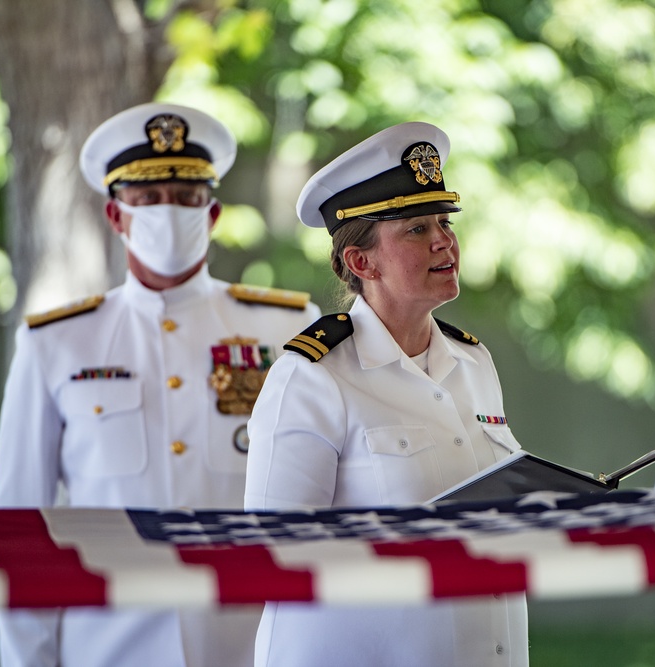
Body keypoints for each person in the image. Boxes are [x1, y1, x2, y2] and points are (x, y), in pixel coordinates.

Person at [0, 102, 322, 667]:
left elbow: (322, 507)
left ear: (212, 213)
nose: (169, 212)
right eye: (149, 199)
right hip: (108, 647)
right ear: (116, 216)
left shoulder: (288, 328)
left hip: (252, 646)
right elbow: (21, 529)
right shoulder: (55, 343)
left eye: (187, 198)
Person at [244, 121, 529, 666]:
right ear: (361, 262)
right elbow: (269, 559)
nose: (444, 240)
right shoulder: (312, 377)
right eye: (417, 229)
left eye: (444, 222)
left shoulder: (473, 362)